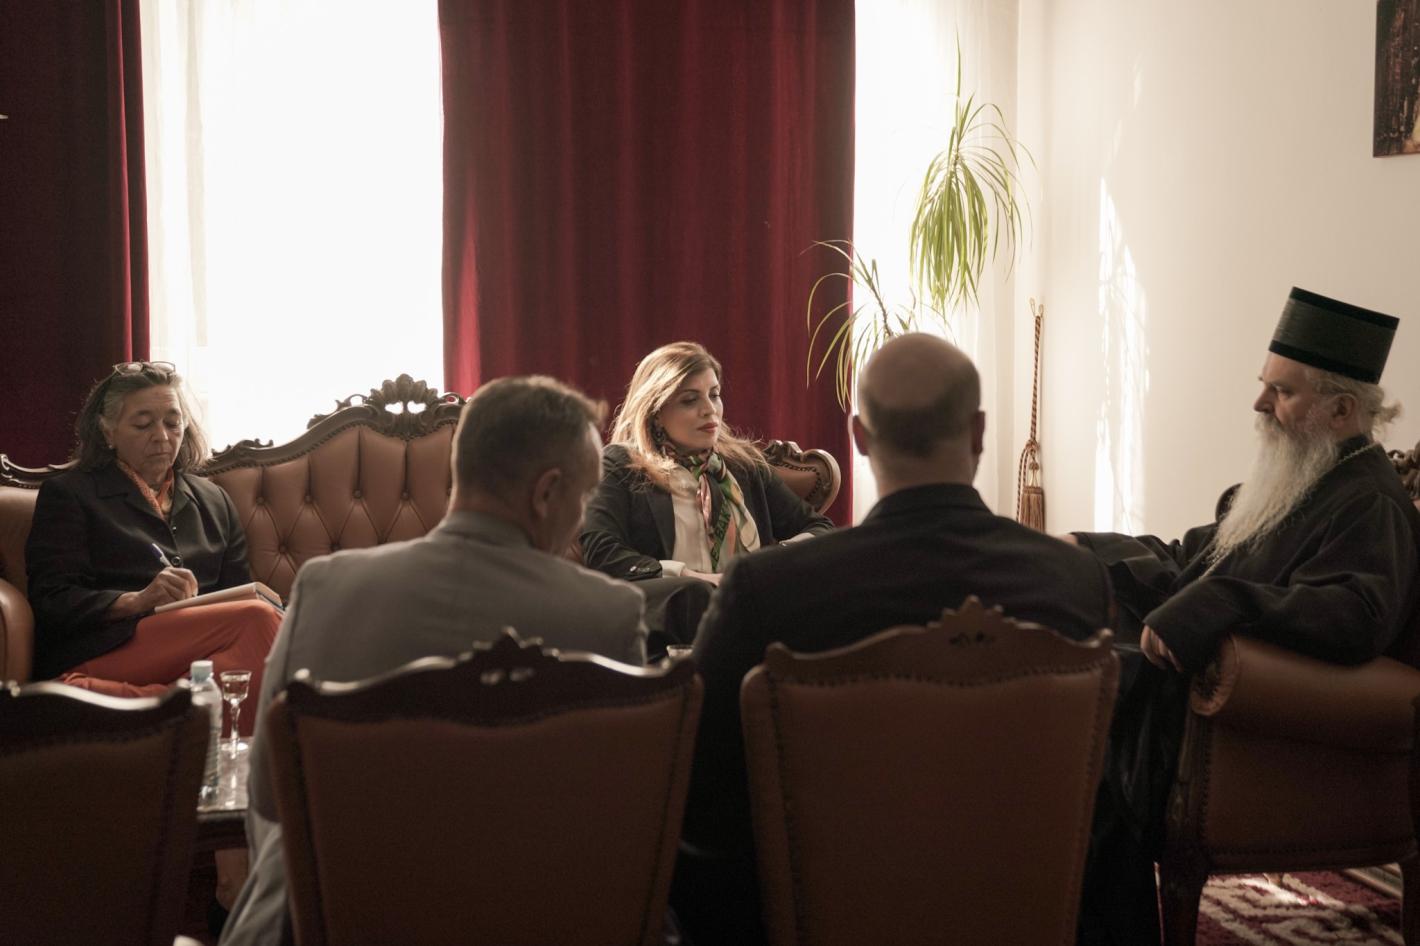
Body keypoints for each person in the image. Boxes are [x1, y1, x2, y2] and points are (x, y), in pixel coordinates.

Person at [674, 333, 1114, 946]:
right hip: (1017, 906)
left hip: (827, 911)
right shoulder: (1075, 581)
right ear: (979, 432)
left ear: (859, 437)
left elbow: (699, 787)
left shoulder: (767, 591)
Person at [220, 375, 648, 946]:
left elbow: (270, 793)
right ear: (547, 493)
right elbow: (618, 817)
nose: (583, 516)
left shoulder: (325, 587)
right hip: (527, 921)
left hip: (334, 919)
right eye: (586, 496)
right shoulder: (610, 613)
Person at [1065, 287, 1420, 945]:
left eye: (1282, 391)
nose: (1260, 404)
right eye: (1265, 385)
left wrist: (1220, 603)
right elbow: (1188, 560)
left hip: (1258, 734)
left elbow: (1353, 616)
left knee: (1088, 690)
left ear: (1342, 409)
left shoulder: (1369, 503)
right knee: (1071, 641)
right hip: (1193, 707)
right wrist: (1084, 553)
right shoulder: (1297, 481)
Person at [24, 360, 281, 719]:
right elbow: (52, 601)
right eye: (143, 424)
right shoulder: (70, 494)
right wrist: (136, 600)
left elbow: (237, 593)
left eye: (173, 423)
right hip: (110, 646)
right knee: (258, 620)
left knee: (271, 624)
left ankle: (160, 708)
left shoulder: (214, 500)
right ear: (108, 431)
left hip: (202, 649)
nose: (162, 436)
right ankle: (183, 715)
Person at [581, 341, 833, 651]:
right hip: (667, 628)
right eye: (690, 400)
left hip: (747, 609)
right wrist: (690, 576)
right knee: (694, 595)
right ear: (656, 413)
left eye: (714, 395)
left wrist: (767, 564)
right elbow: (602, 551)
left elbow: (820, 529)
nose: (709, 410)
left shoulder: (744, 465)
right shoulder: (621, 464)